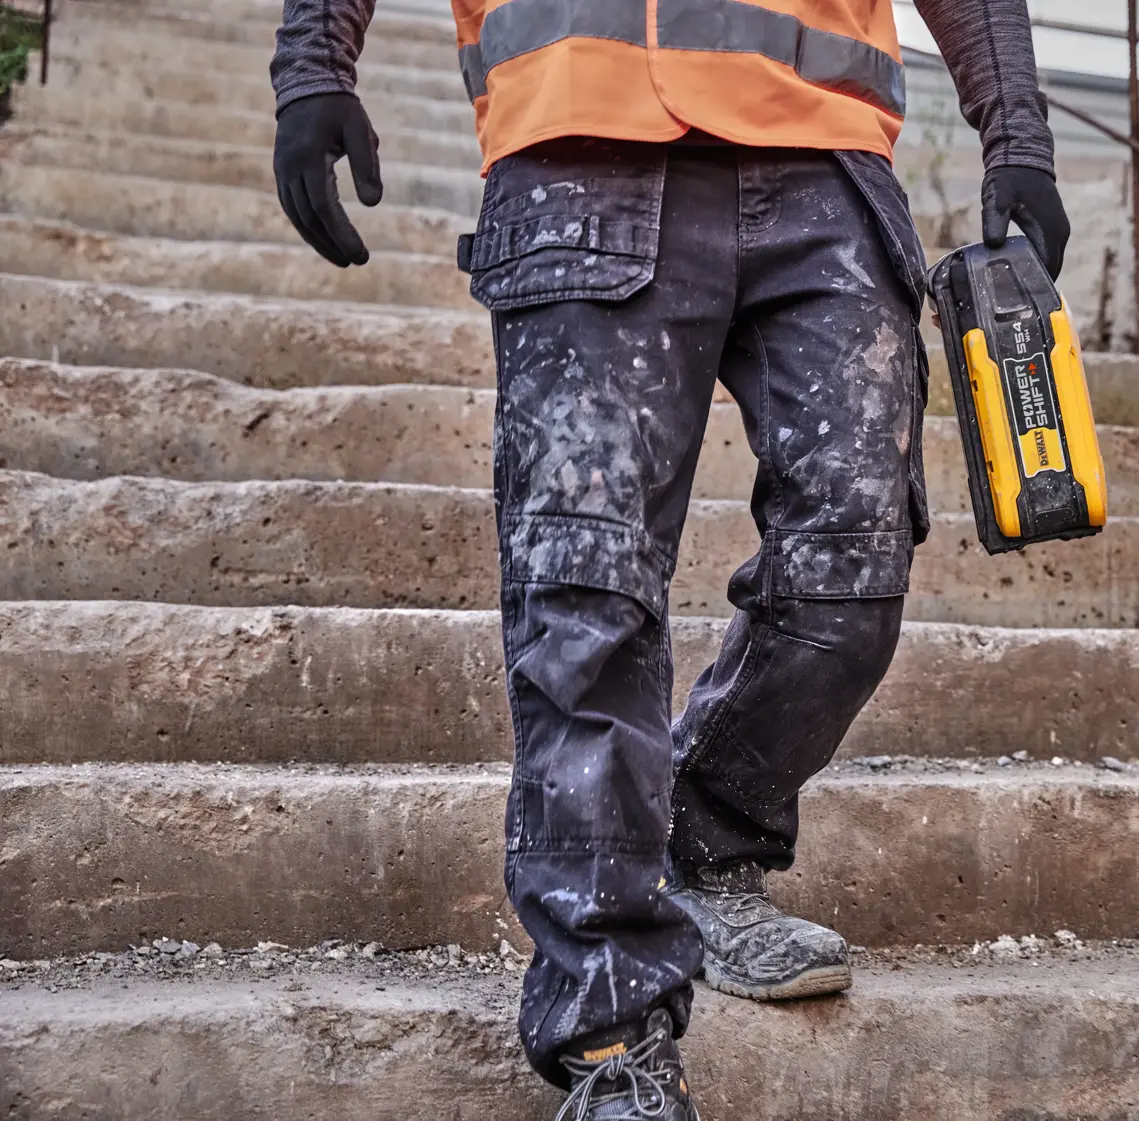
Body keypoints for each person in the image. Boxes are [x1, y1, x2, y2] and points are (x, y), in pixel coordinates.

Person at [271, 1, 1068, 1115]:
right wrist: (314, 64)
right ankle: (611, 1036)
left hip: (826, 161)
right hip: (580, 138)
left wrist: (1015, 134)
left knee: (854, 559)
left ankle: (706, 832)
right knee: (585, 589)